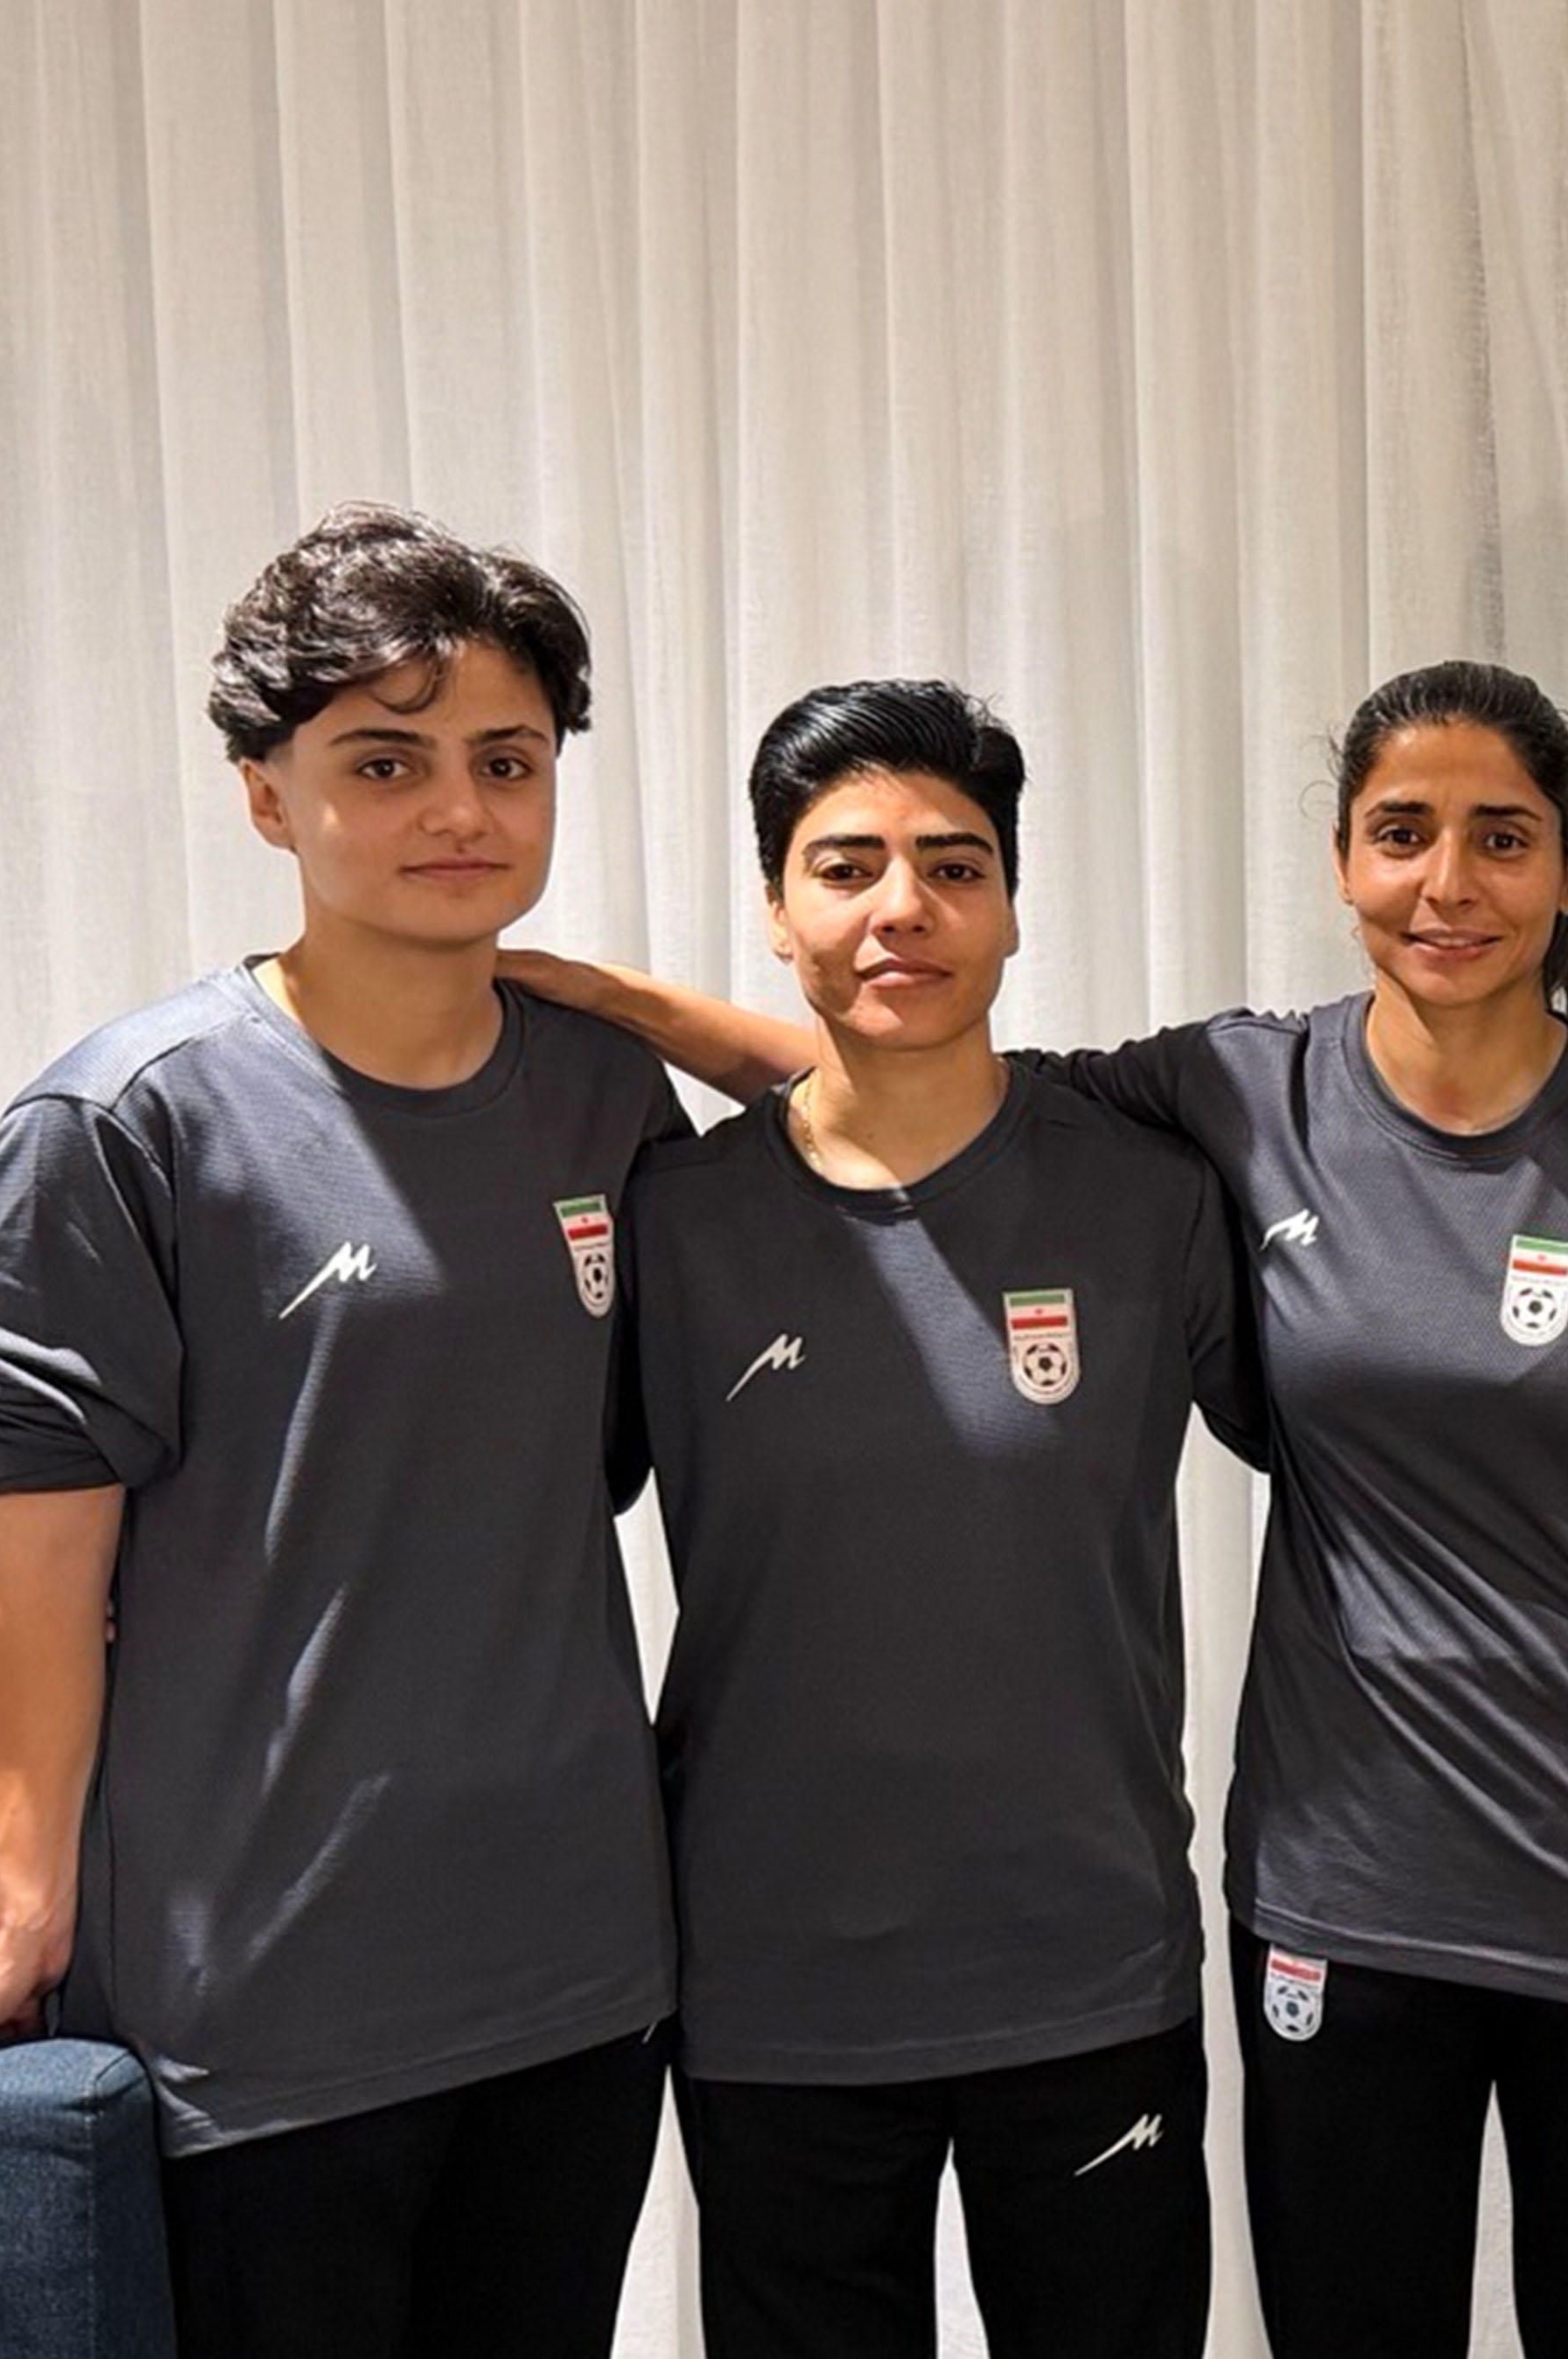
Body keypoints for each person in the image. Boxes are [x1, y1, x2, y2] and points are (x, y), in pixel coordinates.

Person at [514, 657, 1568, 2359]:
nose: (1449, 881)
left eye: (1501, 837)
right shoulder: (1194, 1111)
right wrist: (622, 1005)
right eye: (1403, 832)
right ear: (1344, 863)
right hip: (1218, 1921)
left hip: (1502, 1920)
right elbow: (909, 1080)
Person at [0, 505, 686, 2357]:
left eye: (506, 762)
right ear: (269, 799)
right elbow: (39, 1575)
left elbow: (897, 1111)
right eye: (384, 762)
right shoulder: (124, 1128)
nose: (458, 811)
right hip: (258, 2001)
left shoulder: (604, 1096)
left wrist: (637, 1003)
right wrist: (27, 1919)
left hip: (577, 1973)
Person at [630, 681, 1252, 2356]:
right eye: (846, 866)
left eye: (953, 864)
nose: (902, 905)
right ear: (775, 909)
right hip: (774, 1992)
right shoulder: (672, 1224)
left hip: (1086, 1970)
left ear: (1012, 906)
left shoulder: (1152, 1198)